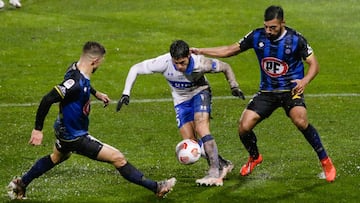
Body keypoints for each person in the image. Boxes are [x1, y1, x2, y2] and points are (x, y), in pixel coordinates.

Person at [7, 41, 176, 200]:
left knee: (57, 157)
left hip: (63, 129)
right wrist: (37, 129)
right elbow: (47, 99)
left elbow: (81, 85)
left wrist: (95, 93)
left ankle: (21, 183)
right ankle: (156, 187)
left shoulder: (75, 69)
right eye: (101, 61)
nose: (101, 64)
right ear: (95, 60)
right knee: (117, 158)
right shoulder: (75, 84)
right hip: (75, 136)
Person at [190, 5, 336, 182]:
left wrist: (304, 81)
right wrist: (201, 51)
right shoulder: (257, 35)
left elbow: (314, 65)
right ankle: (254, 157)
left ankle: (325, 161)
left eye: (273, 27)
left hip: (290, 90)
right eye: (266, 26)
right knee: (243, 127)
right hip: (267, 91)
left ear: (283, 23)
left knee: (300, 120)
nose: (268, 31)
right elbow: (230, 50)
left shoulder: (295, 39)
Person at [116, 39, 245, 186]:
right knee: (192, 142)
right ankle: (223, 164)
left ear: (189, 56)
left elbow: (225, 67)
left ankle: (214, 171)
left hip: (200, 92)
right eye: (175, 63)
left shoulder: (200, 63)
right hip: (181, 101)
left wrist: (234, 86)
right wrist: (126, 93)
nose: (179, 67)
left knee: (201, 127)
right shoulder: (163, 62)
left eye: (182, 62)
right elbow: (135, 68)